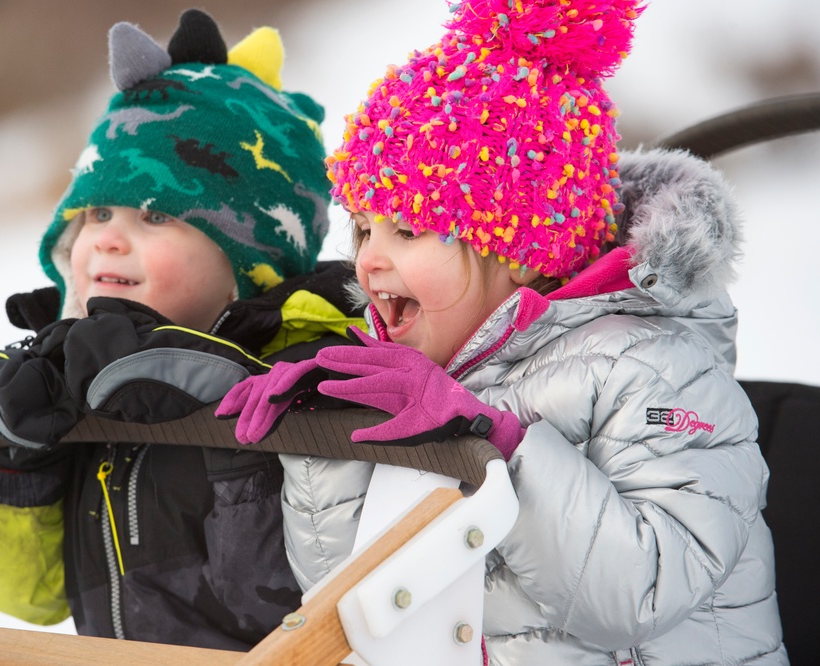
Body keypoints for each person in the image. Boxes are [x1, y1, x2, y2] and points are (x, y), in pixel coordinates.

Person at [216, 0, 789, 662]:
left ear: (519, 251)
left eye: (406, 230)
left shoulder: (653, 365)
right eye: (363, 227)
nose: (369, 258)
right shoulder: (418, 368)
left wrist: (496, 443)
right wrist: (327, 438)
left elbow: (644, 593)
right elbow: (348, 603)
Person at [0, 10, 364, 650]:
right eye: (97, 211)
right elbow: (24, 596)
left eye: (152, 213)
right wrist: (20, 458)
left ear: (248, 262)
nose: (109, 238)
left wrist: (211, 409)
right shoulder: (72, 376)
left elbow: (287, 613)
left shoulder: (313, 374)